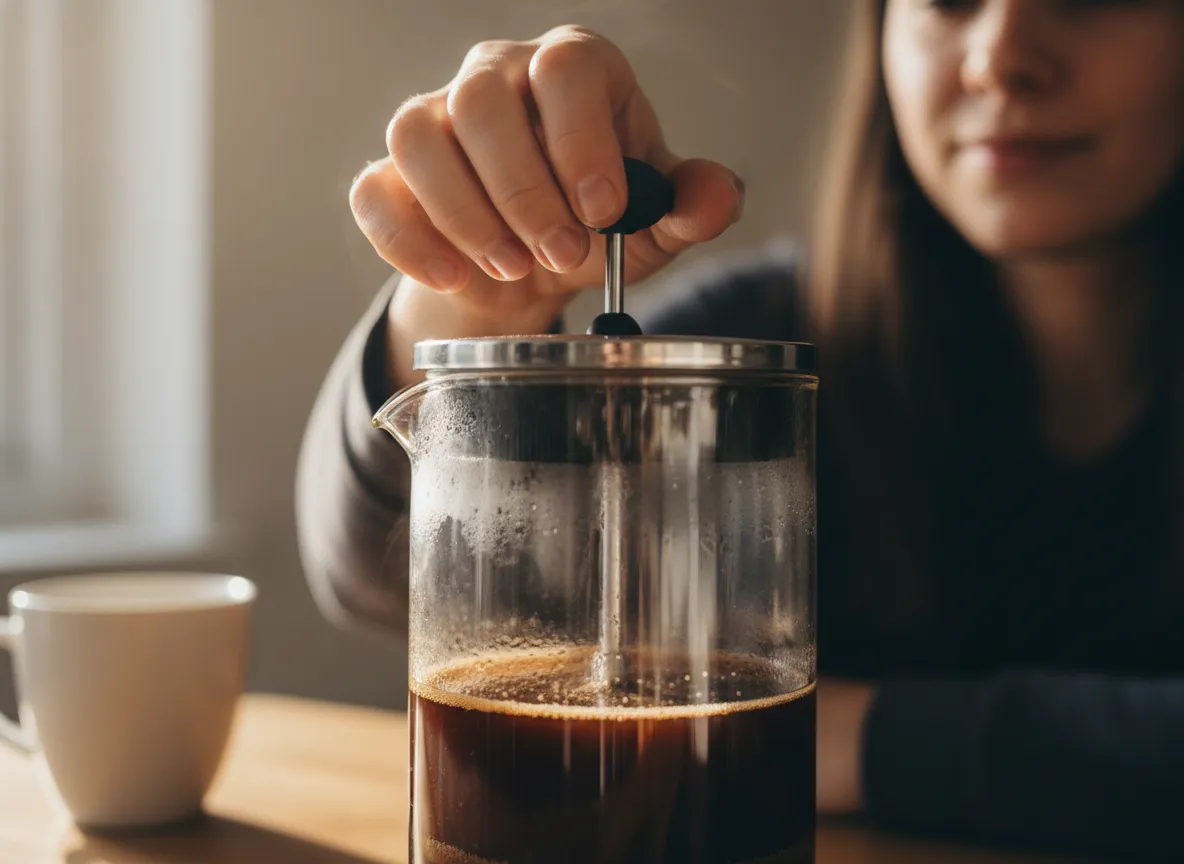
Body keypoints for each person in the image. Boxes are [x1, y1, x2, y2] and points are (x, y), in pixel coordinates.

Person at [296, 0, 1184, 857]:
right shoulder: (765, 337)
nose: (1001, 57)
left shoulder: (769, 384)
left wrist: (870, 741)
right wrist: (474, 304)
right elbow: (374, 577)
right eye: (948, 0)